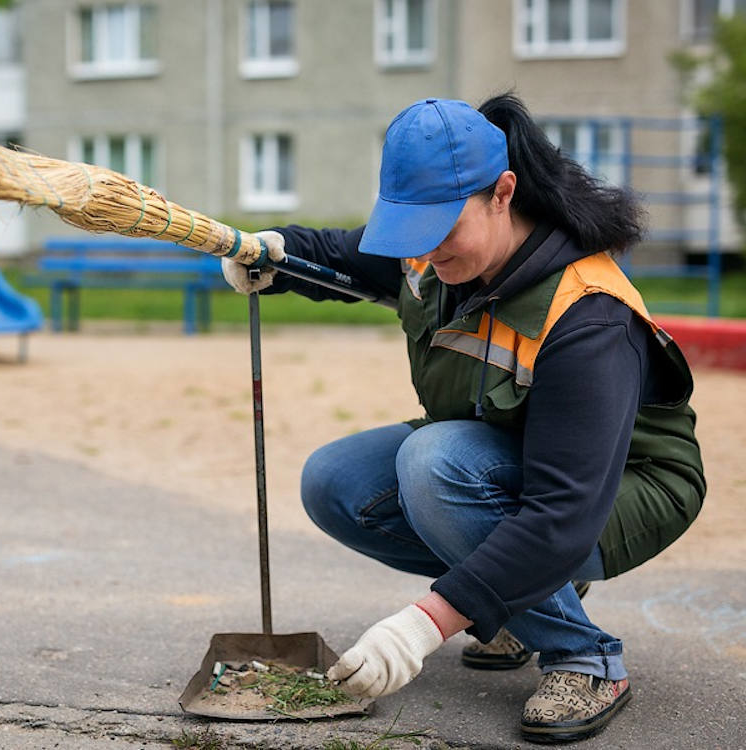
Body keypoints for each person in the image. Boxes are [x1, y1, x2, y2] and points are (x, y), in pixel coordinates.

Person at [221, 94, 705, 744]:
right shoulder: (431, 251)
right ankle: (514, 602)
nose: (423, 251)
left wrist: (424, 624)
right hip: (502, 456)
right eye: (409, 231)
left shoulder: (588, 315)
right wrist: (270, 253)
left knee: (434, 465)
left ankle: (586, 661)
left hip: (622, 487)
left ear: (503, 193)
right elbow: (337, 253)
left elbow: (563, 514)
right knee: (334, 481)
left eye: (442, 228)